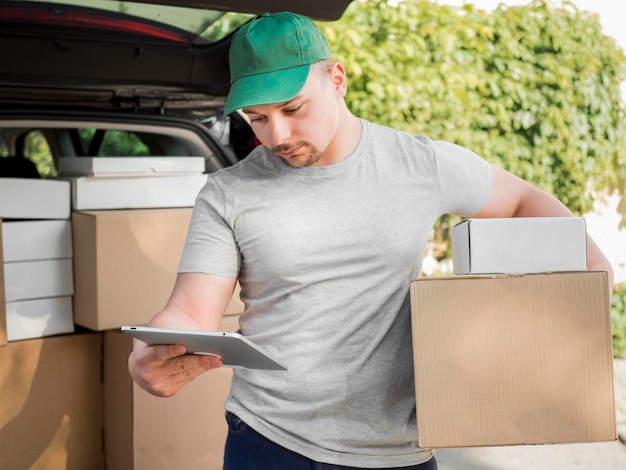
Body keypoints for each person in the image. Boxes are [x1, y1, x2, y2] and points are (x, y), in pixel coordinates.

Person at [128, 11, 614, 470]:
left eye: (293, 108)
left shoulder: (419, 165)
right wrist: (151, 351)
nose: (276, 135)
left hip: (396, 449)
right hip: (267, 439)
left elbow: (520, 200)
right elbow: (192, 311)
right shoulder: (228, 192)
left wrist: (589, 272)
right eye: (256, 118)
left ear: (337, 79)